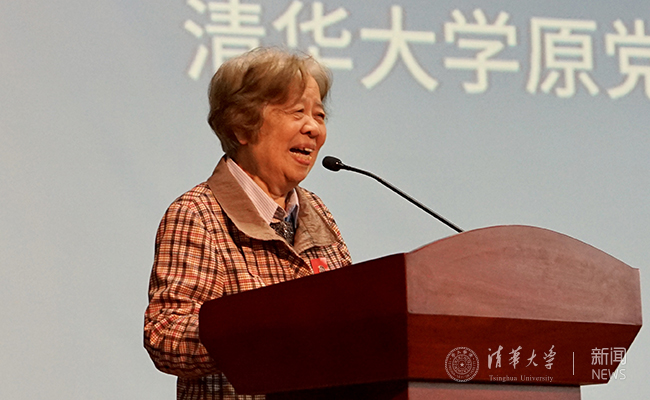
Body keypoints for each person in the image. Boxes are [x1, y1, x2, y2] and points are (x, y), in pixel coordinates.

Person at [143, 47, 352, 400]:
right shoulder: (198, 213)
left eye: (319, 115)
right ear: (242, 125)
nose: (313, 128)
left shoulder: (317, 211)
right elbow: (166, 333)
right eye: (297, 112)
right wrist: (263, 329)